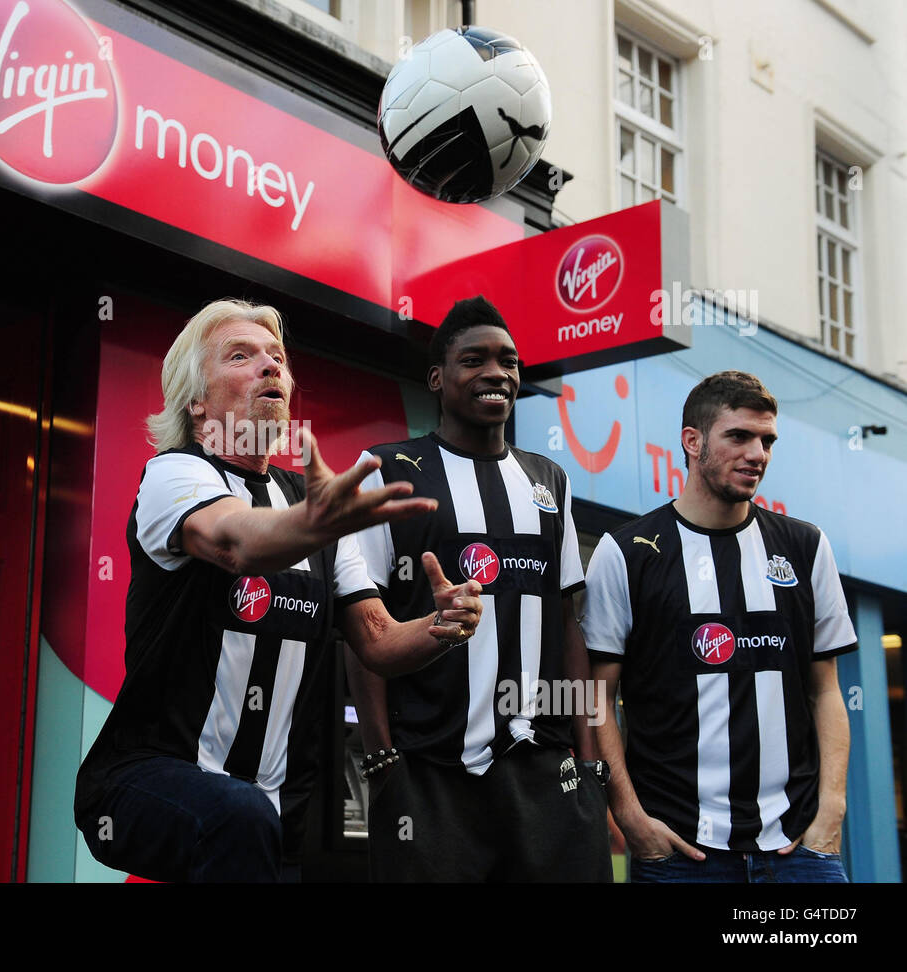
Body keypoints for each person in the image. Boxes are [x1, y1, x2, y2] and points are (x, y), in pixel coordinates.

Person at [73, 298, 484, 882]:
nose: (270, 367)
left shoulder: (310, 508)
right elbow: (236, 542)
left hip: (276, 811)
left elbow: (378, 640)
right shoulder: (174, 474)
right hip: (148, 779)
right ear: (195, 400)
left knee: (253, 821)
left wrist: (443, 627)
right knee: (237, 815)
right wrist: (316, 524)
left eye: (277, 358)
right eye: (240, 356)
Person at [347, 296, 612, 882]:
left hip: (547, 772)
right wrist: (383, 759)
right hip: (429, 773)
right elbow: (360, 626)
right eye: (475, 360)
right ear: (437, 378)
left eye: (509, 362)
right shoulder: (388, 469)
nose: (497, 373)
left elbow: (566, 621)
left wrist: (587, 763)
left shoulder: (550, 479)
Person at [581, 371, 856, 883]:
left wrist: (832, 810)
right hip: (680, 854)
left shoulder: (805, 547)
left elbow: (826, 691)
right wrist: (630, 817)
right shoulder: (626, 553)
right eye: (739, 436)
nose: (758, 453)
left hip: (799, 852)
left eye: (767, 440)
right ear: (692, 441)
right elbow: (597, 696)